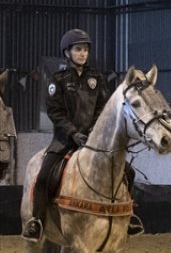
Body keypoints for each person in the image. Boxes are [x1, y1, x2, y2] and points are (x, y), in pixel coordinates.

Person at [24, 29, 143, 241]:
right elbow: (56, 112)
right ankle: (37, 221)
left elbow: (101, 110)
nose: (83, 53)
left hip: (93, 142)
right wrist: (73, 134)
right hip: (63, 141)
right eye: (78, 49)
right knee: (43, 176)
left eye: (85, 49)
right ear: (67, 52)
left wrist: (91, 133)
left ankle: (128, 217)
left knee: (128, 172)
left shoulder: (96, 78)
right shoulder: (58, 80)